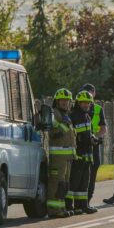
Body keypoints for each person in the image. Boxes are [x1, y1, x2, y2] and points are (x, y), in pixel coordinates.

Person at [47, 89, 75, 218]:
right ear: (57, 102)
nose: (65, 103)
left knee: (64, 183)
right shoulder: (55, 114)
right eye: (62, 100)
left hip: (67, 156)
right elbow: (54, 131)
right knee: (56, 182)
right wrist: (63, 127)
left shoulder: (65, 115)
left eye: (67, 101)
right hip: (58, 156)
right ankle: (54, 210)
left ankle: (61, 207)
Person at [66, 90, 95, 215]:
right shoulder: (73, 116)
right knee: (74, 182)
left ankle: (82, 206)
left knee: (84, 183)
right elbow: (70, 136)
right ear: (78, 103)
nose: (86, 105)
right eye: (84, 102)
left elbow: (89, 133)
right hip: (77, 154)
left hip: (87, 154)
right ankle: (69, 206)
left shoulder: (87, 116)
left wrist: (93, 139)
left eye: (88, 103)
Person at [79, 83, 107, 211]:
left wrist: (95, 137)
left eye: (90, 92)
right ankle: (77, 203)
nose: (88, 95)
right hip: (79, 146)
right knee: (78, 175)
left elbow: (103, 128)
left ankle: (87, 202)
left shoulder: (98, 109)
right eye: (86, 92)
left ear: (94, 94)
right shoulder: (76, 108)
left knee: (92, 174)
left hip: (93, 146)